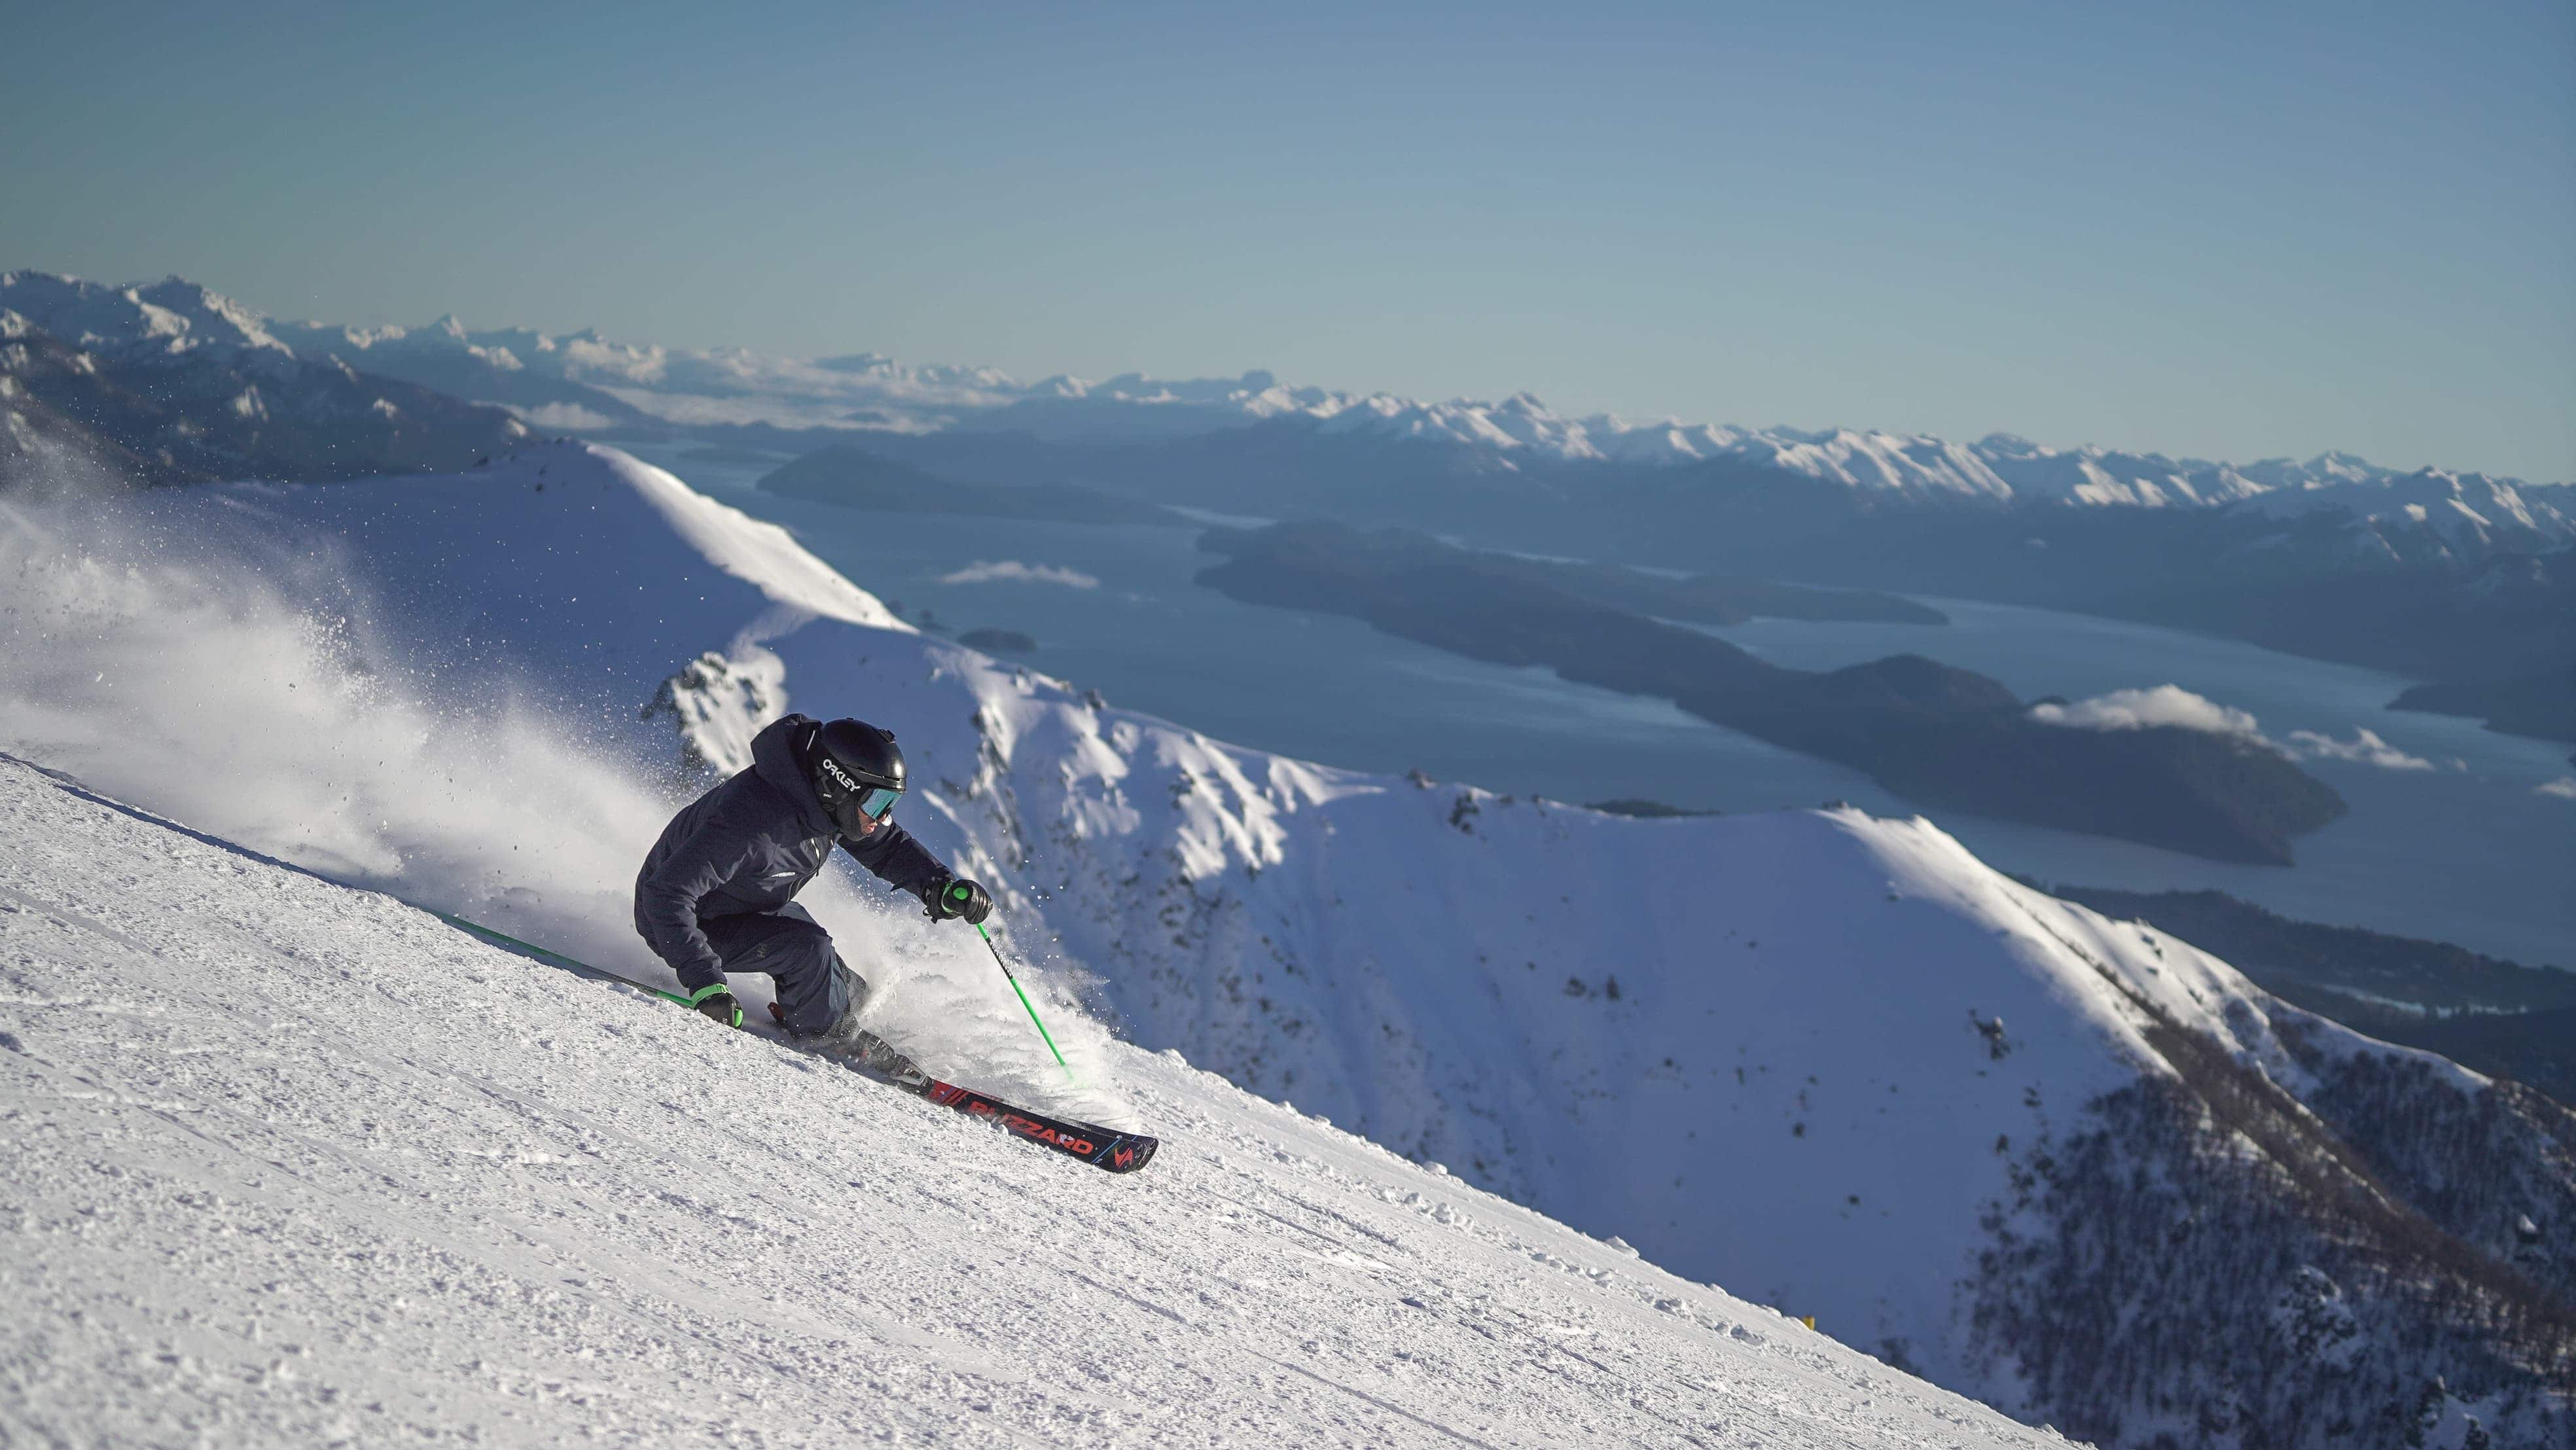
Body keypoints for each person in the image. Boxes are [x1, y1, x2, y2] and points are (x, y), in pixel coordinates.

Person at [632, 713, 990, 1053]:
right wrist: (705, 982)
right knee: (808, 950)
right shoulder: (753, 826)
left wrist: (938, 886)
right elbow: (666, 894)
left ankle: (838, 1013)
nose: (884, 816)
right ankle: (830, 1036)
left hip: (743, 902)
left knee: (846, 989)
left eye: (891, 802)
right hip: (683, 920)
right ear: (839, 783)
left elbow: (887, 847)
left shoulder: (824, 803)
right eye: (879, 801)